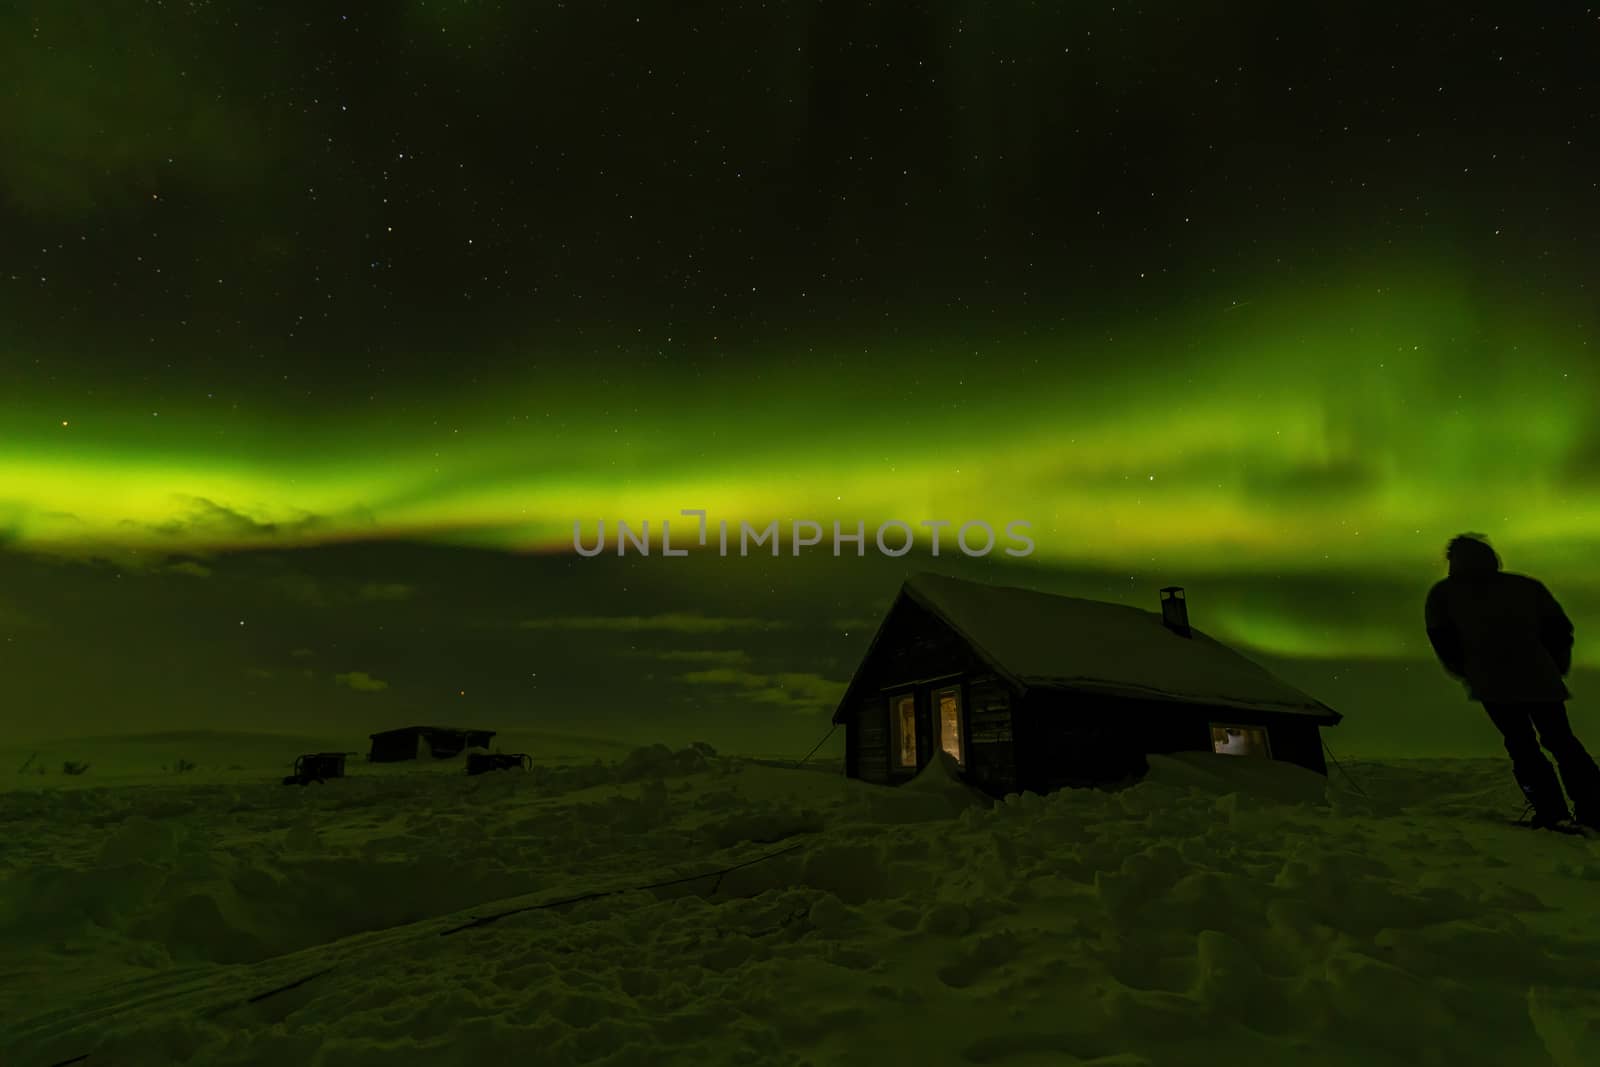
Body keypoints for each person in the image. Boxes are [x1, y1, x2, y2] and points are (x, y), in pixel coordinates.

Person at [1424, 533, 1600, 831]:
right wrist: (1555, 666)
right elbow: (1559, 630)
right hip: (1540, 679)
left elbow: (1443, 640)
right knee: (1561, 741)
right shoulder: (1525, 587)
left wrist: (1466, 670)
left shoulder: (1445, 594)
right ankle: (1594, 808)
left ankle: (1551, 812)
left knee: (1522, 746)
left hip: (1493, 683)